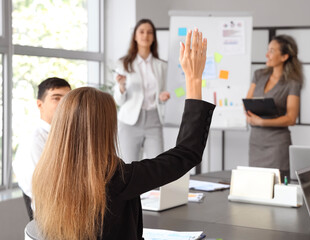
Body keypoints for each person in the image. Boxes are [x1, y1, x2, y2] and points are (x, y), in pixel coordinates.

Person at [32, 28, 213, 240]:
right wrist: (193, 80)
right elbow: (186, 153)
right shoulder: (117, 180)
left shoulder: (44, 176)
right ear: (104, 130)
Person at [245, 35, 303, 181]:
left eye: (271, 51)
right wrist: (249, 115)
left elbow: (291, 118)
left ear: (284, 56)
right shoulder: (258, 75)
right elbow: (247, 102)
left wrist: (262, 122)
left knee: (277, 192)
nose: (267, 55)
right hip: (256, 143)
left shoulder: (292, 83)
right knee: (256, 189)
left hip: (277, 146)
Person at [12, 77, 71, 220]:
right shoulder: (33, 142)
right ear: (40, 105)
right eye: (56, 98)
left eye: (68, 99)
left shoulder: (71, 136)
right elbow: (44, 192)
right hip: (52, 220)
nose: (64, 104)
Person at [113, 19, 170, 163]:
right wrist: (121, 86)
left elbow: (162, 92)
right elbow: (118, 100)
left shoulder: (161, 65)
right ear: (135, 36)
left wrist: (162, 97)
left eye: (150, 32)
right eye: (142, 32)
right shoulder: (124, 63)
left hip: (154, 119)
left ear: (154, 37)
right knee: (127, 166)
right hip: (129, 121)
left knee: (157, 166)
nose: (146, 35)